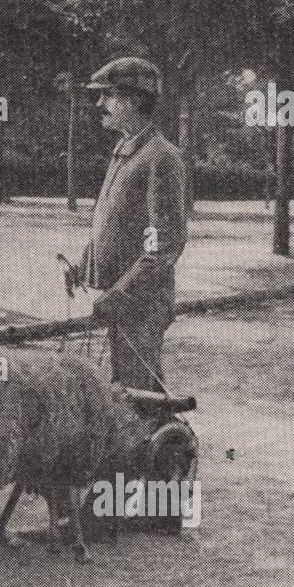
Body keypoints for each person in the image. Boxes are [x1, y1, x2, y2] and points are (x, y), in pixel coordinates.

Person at [79, 57, 188, 391]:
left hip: (142, 302)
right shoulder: (125, 149)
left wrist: (120, 293)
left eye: (108, 96)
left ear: (135, 100)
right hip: (122, 298)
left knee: (137, 389)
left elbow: (163, 244)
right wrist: (84, 266)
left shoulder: (161, 158)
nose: (101, 104)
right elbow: (113, 220)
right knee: (127, 388)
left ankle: (166, 441)